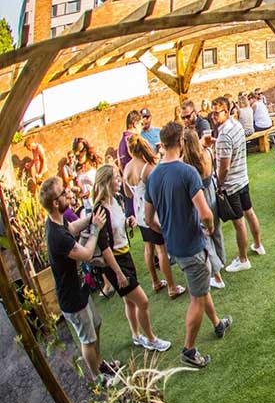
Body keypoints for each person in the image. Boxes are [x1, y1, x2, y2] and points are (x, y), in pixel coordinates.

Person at [144, 121, 233, 368]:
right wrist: (210, 228)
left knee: (201, 288)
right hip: (192, 245)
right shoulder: (187, 173)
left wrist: (167, 230)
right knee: (197, 296)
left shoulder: (152, 177)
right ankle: (189, 349)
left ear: (162, 144)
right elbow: (205, 213)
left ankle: (217, 324)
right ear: (181, 141)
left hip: (174, 245)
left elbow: (148, 219)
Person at [91, 165, 172, 352]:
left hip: (125, 255)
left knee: (129, 300)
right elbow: (104, 247)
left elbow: (116, 228)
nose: (119, 181)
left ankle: (136, 335)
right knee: (142, 301)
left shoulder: (116, 200)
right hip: (115, 262)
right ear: (107, 182)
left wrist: (128, 221)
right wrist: (118, 273)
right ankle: (151, 339)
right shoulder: (100, 210)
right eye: (116, 179)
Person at [40, 177, 113, 380]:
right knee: (88, 339)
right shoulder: (57, 237)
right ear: (55, 203)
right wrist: (96, 228)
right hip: (71, 299)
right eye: (63, 193)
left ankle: (100, 363)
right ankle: (97, 377)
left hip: (79, 289)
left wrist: (90, 219)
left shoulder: (57, 220)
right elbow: (87, 254)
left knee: (96, 324)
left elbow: (72, 228)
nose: (68, 194)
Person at [123, 136, 184, 298]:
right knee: (161, 249)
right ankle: (171, 287)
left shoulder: (126, 168)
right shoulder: (147, 168)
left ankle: (155, 281)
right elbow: (158, 191)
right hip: (151, 213)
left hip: (139, 213)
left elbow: (128, 193)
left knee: (148, 247)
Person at [215, 96, 266, 273]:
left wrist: (218, 183)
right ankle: (258, 245)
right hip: (242, 178)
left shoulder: (224, 134)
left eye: (217, 112)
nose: (214, 116)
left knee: (239, 222)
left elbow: (224, 166)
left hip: (231, 184)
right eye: (212, 112)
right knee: (249, 212)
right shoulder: (236, 125)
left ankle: (243, 258)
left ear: (227, 111)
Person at [182, 129, 226, 289]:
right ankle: (221, 261)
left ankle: (217, 275)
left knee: (205, 236)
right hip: (212, 194)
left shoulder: (186, 163)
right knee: (217, 230)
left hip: (199, 198)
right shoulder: (207, 152)